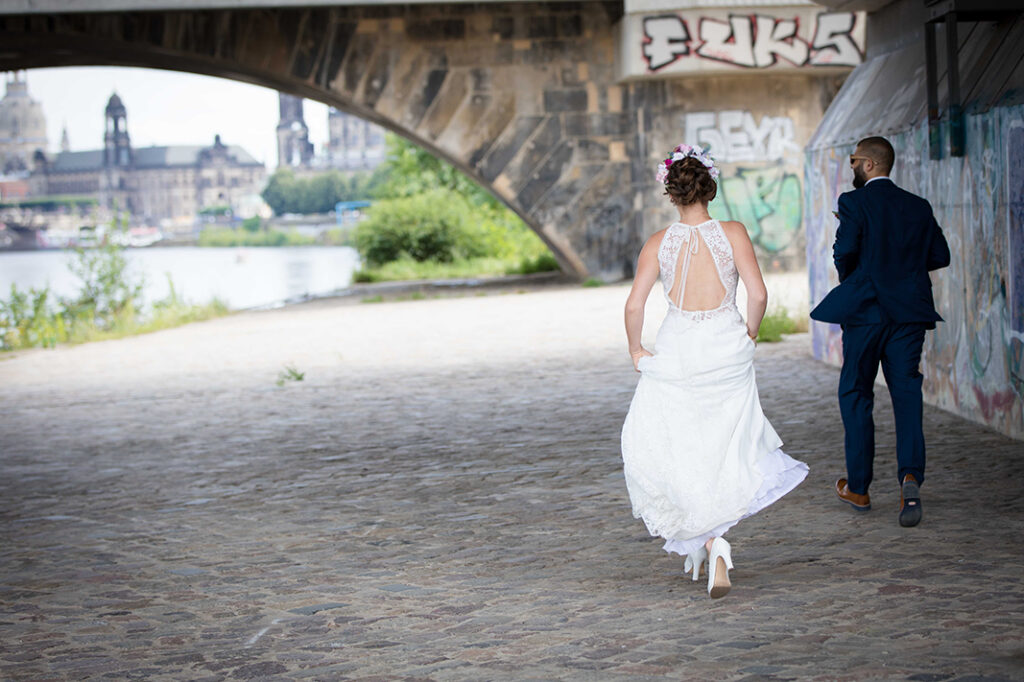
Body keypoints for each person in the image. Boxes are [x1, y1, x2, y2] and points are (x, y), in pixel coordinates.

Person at [620, 144, 808, 599]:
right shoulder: (734, 233)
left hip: (678, 351)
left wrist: (636, 350)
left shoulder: (658, 244)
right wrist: (750, 333)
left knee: (679, 447)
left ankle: (709, 541)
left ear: (671, 193)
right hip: (725, 348)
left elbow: (634, 305)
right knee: (723, 446)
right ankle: (712, 541)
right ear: (710, 188)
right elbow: (758, 295)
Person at [810, 136, 950, 528]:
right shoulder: (918, 206)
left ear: (869, 164)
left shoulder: (853, 203)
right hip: (909, 315)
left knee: (856, 393)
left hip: (866, 313)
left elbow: (844, 253)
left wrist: (858, 280)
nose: (852, 166)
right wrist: (902, 268)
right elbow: (940, 255)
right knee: (907, 395)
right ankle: (910, 478)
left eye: (854, 160)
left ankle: (858, 488)